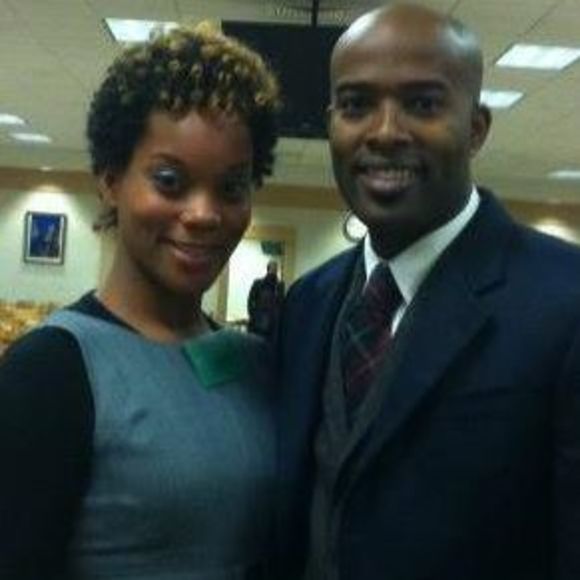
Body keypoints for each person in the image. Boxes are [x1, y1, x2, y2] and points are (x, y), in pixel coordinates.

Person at [276, 3, 580, 580]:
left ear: (476, 128)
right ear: (332, 122)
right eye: (356, 105)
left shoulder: (565, 301)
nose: (385, 132)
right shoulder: (308, 303)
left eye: (422, 104)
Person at [0, 22, 280, 579]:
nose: (203, 214)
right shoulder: (53, 367)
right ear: (111, 180)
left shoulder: (251, 361)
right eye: (170, 181)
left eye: (231, 188)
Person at [247, 259, 284, 339]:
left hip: (273, 324)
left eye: (275, 269)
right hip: (258, 322)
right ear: (268, 269)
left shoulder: (279, 286)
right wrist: (253, 315)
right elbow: (250, 301)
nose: (274, 271)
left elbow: (281, 303)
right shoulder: (258, 283)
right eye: (272, 268)